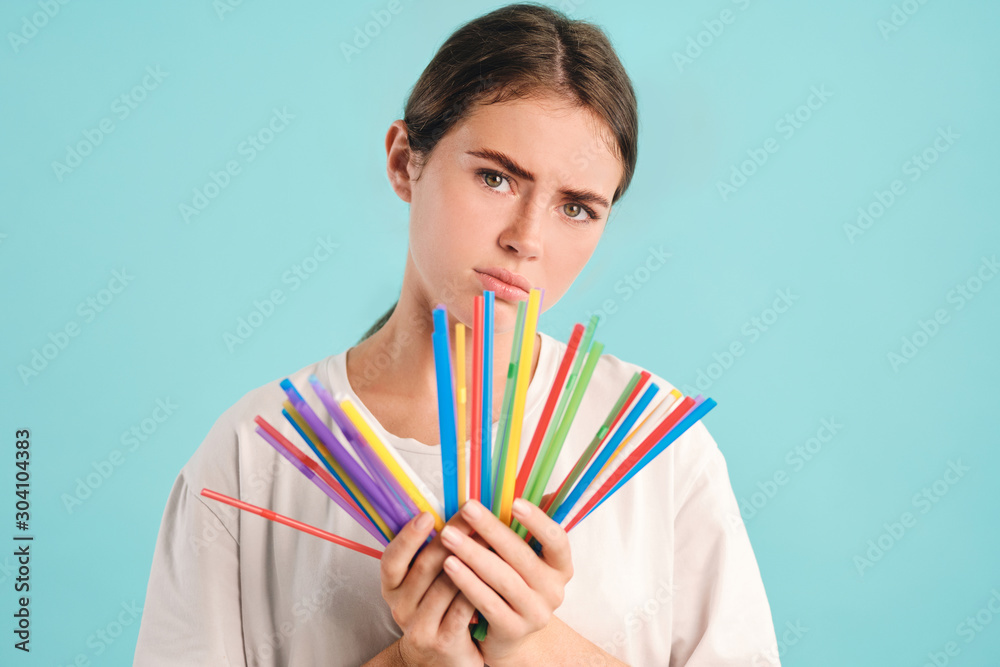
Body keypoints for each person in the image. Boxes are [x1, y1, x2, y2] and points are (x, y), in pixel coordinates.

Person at [133, 3, 780, 665]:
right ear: (403, 161)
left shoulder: (660, 450)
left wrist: (532, 642)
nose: (526, 238)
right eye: (496, 178)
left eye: (577, 207)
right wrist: (409, 661)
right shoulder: (254, 454)